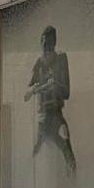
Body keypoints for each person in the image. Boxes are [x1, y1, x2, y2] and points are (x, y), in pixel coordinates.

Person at [25, 25, 76, 173]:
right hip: (43, 118)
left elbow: (66, 92)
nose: (44, 45)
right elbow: (27, 92)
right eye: (42, 41)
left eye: (48, 41)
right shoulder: (39, 63)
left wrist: (53, 86)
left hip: (56, 116)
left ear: (54, 42)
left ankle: (72, 181)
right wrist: (34, 89)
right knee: (35, 153)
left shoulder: (61, 59)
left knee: (68, 153)